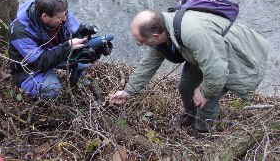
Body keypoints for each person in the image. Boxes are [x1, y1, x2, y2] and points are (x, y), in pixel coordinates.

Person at [109, 9, 269, 133]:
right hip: (200, 54)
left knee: (207, 100)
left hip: (229, 56)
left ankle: (202, 131)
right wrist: (128, 91)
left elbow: (218, 73)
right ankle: (190, 116)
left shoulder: (192, 33)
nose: (141, 45)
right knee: (186, 87)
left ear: (156, 36)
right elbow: (147, 65)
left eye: (141, 42)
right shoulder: (163, 29)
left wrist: (204, 92)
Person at [9, 0, 99, 98]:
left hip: (50, 51)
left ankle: (75, 83)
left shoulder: (58, 10)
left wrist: (89, 41)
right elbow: (40, 62)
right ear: (44, 17)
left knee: (82, 60)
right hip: (29, 68)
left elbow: (75, 31)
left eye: (65, 14)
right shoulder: (20, 32)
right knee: (52, 88)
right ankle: (32, 93)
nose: (65, 19)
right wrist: (67, 47)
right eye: (60, 18)